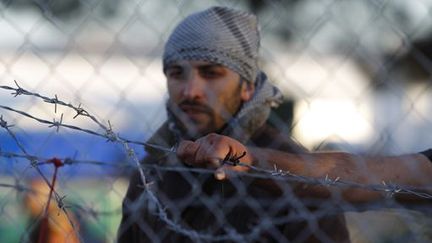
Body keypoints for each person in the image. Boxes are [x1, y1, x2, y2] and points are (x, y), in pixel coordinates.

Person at [118, 6, 432, 242]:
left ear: (248, 87)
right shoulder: (152, 171)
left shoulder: (295, 175)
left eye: (211, 73)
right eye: (176, 73)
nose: (190, 91)